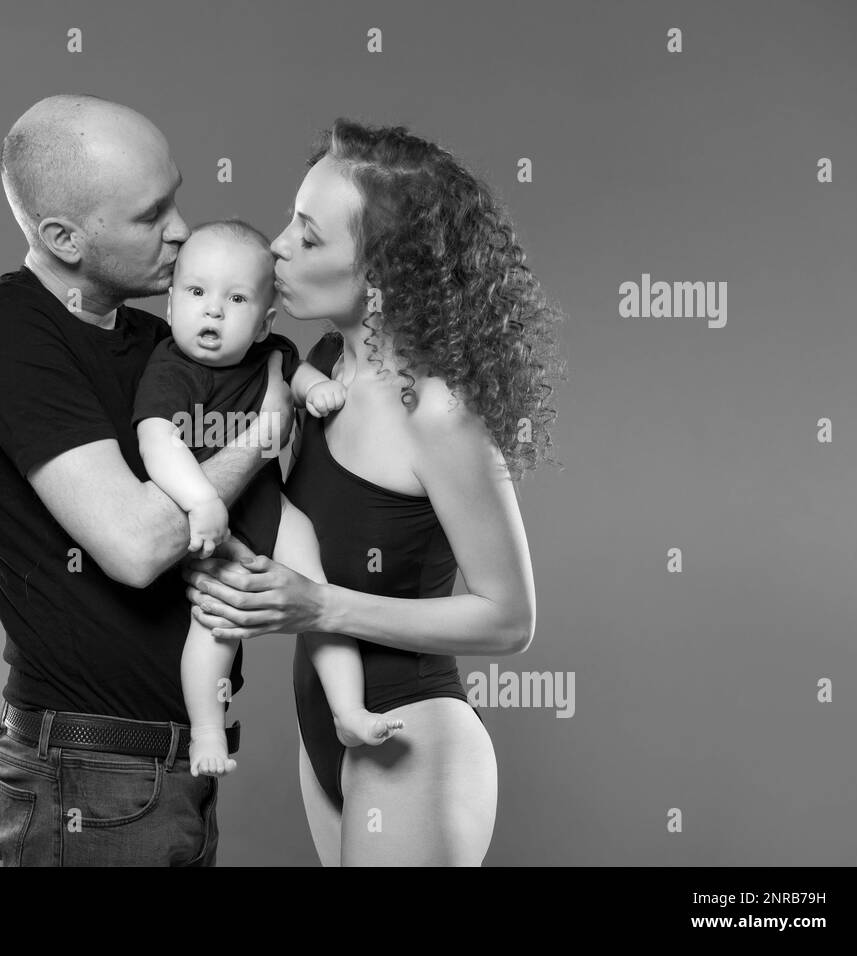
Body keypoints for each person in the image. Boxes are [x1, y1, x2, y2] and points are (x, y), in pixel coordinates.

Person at [183, 118, 566, 865]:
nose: (276, 247)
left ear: (382, 278)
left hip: (410, 735)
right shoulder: (323, 364)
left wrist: (320, 605)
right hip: (327, 725)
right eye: (290, 221)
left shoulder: (439, 413)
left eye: (310, 236)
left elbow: (509, 620)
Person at [0, 93, 294, 866]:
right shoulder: (9, 336)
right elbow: (136, 545)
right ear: (64, 237)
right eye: (150, 213)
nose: (181, 229)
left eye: (177, 197)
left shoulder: (160, 339)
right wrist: (264, 435)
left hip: (177, 767)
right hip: (90, 778)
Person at [131, 220, 404, 779]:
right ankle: (207, 732)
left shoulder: (270, 353)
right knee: (217, 627)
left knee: (321, 595)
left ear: (263, 324)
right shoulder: (170, 369)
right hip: (213, 530)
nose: (213, 312)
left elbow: (294, 372)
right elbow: (157, 442)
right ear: (170, 303)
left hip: (272, 511)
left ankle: (348, 710)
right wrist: (201, 501)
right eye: (197, 293)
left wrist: (314, 389)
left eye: (235, 299)